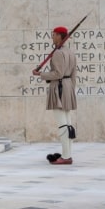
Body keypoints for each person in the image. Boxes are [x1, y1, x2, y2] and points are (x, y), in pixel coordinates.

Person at [32, 25, 78, 165]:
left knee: (62, 125)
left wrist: (41, 74)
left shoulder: (58, 53)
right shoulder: (70, 52)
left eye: (53, 34)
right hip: (68, 87)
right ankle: (68, 154)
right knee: (68, 123)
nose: (52, 36)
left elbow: (57, 74)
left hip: (59, 88)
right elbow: (74, 74)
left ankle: (65, 156)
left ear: (59, 36)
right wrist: (70, 89)